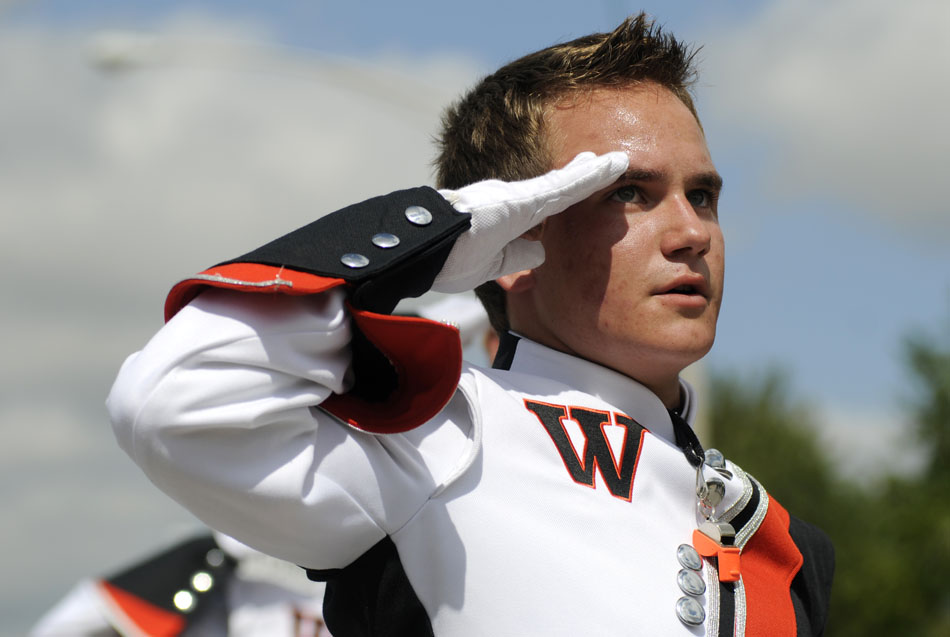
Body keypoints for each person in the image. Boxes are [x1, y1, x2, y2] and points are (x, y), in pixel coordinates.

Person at [108, 13, 834, 636]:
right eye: (631, 194)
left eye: (702, 195)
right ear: (516, 239)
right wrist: (436, 232)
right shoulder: (439, 444)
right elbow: (170, 403)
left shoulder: (780, 541)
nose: (690, 231)